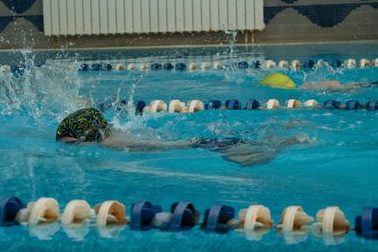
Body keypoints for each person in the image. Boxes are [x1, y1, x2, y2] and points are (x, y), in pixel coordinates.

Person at [56, 108, 312, 166]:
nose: (69, 147)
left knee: (247, 159)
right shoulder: (115, 132)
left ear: (85, 135)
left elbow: (156, 148)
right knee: (250, 146)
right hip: (198, 142)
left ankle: (291, 139)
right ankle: (287, 132)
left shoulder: (112, 143)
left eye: (70, 142)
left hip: (200, 146)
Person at [258, 73, 377, 92]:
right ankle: (371, 84)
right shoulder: (304, 85)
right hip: (328, 84)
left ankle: (370, 85)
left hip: (327, 86)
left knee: (343, 88)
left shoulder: (304, 88)